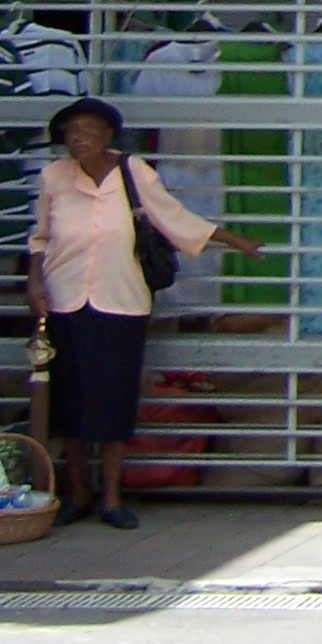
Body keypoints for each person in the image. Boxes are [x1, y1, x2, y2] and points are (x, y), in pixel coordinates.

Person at [25, 97, 264, 528]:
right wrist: (35, 281)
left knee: (114, 403)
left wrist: (234, 240)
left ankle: (112, 499)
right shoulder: (53, 178)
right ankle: (79, 492)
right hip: (66, 303)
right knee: (71, 403)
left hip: (121, 302)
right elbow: (40, 238)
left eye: (88, 131)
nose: (79, 139)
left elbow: (174, 218)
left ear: (108, 137)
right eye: (71, 133)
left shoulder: (133, 173)